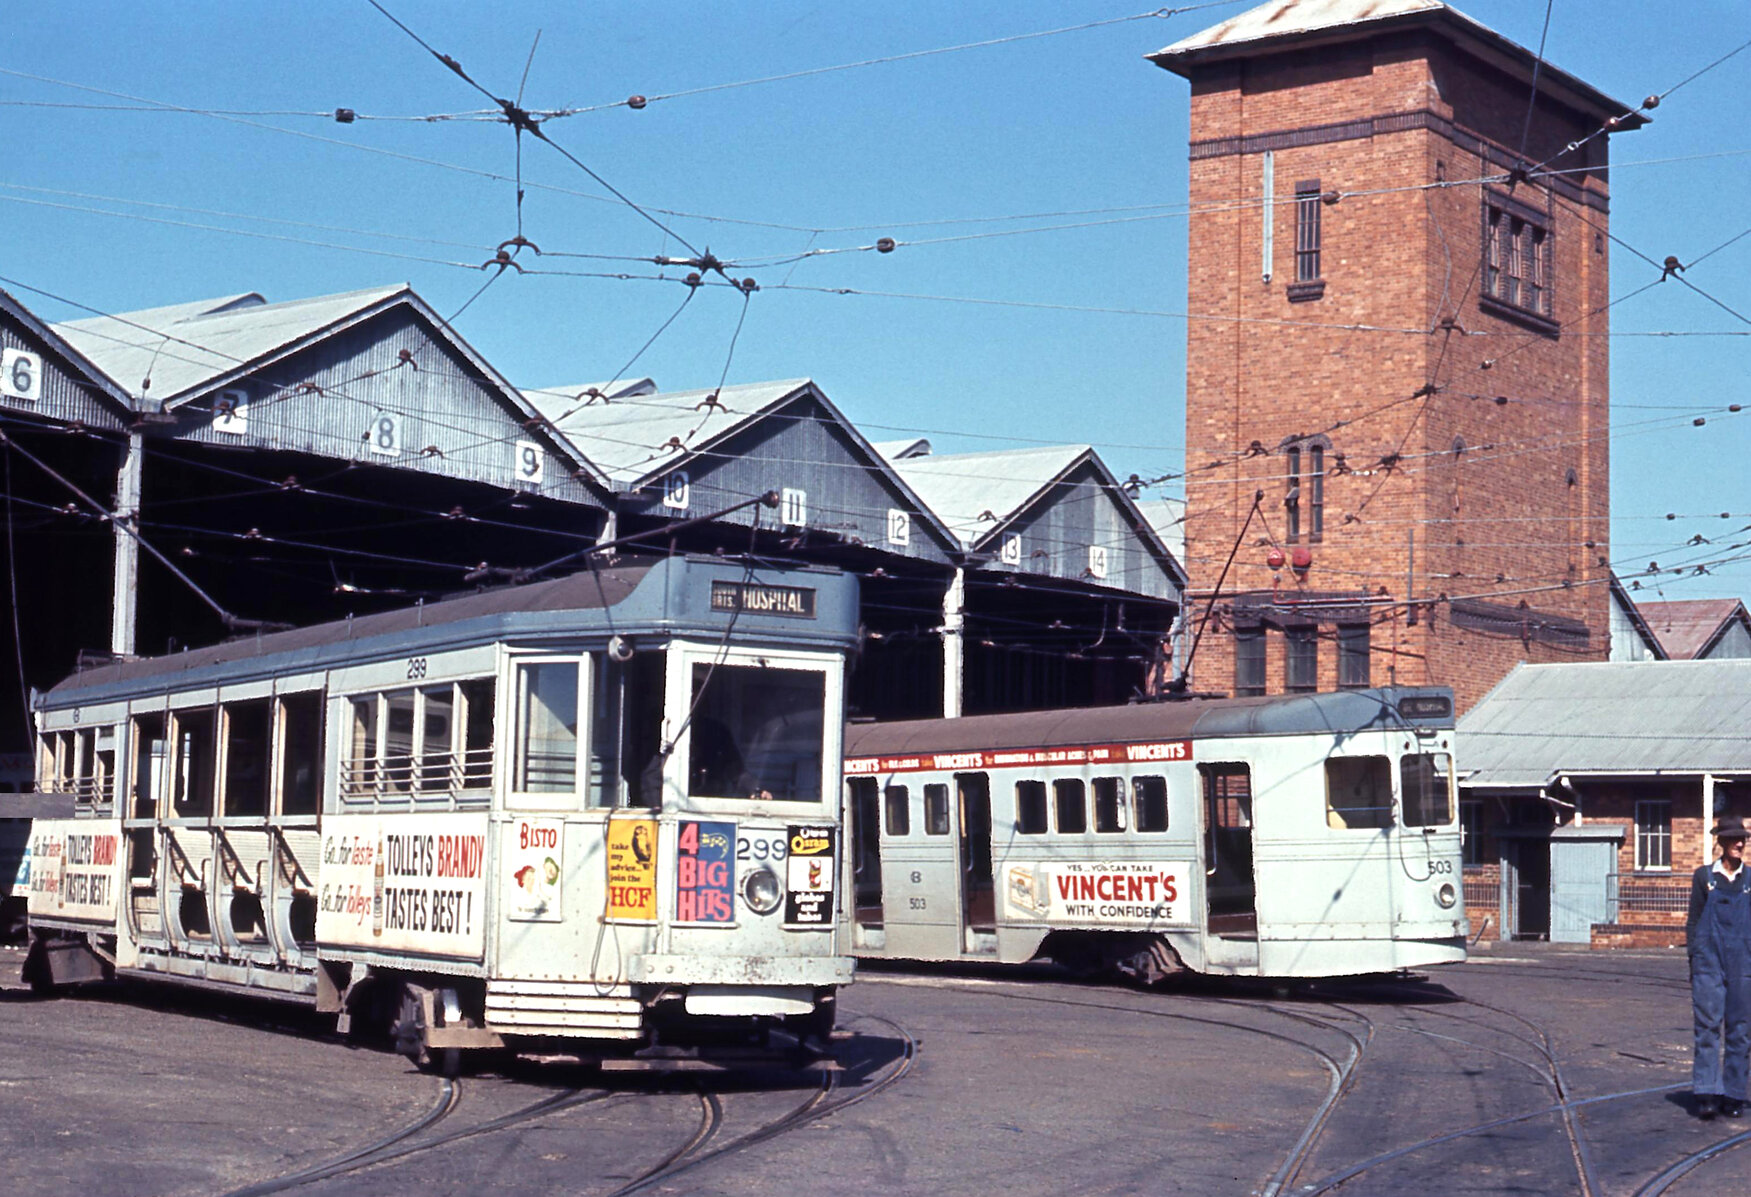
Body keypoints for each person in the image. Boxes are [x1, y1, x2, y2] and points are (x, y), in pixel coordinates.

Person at [1687, 815, 1751, 1120]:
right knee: (1708, 1028)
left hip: (1743, 965)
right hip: (1708, 964)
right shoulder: (1704, 878)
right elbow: (1694, 921)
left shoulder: (1750, 881)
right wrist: (1695, 961)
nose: (1740, 843)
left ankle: (1734, 1094)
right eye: (1734, 839)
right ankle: (1707, 1094)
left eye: (1743, 839)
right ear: (1721, 842)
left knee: (1740, 1031)